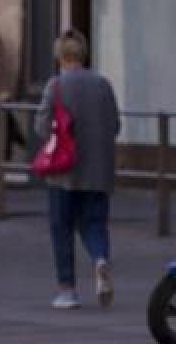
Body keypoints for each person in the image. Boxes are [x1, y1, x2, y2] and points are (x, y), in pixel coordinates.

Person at [34, 29, 121, 310]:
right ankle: (100, 259)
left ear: (60, 55)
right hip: (99, 171)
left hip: (64, 171)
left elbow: (42, 126)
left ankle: (67, 290)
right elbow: (115, 126)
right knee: (95, 223)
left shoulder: (56, 85)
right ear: (83, 53)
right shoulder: (103, 84)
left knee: (62, 228)